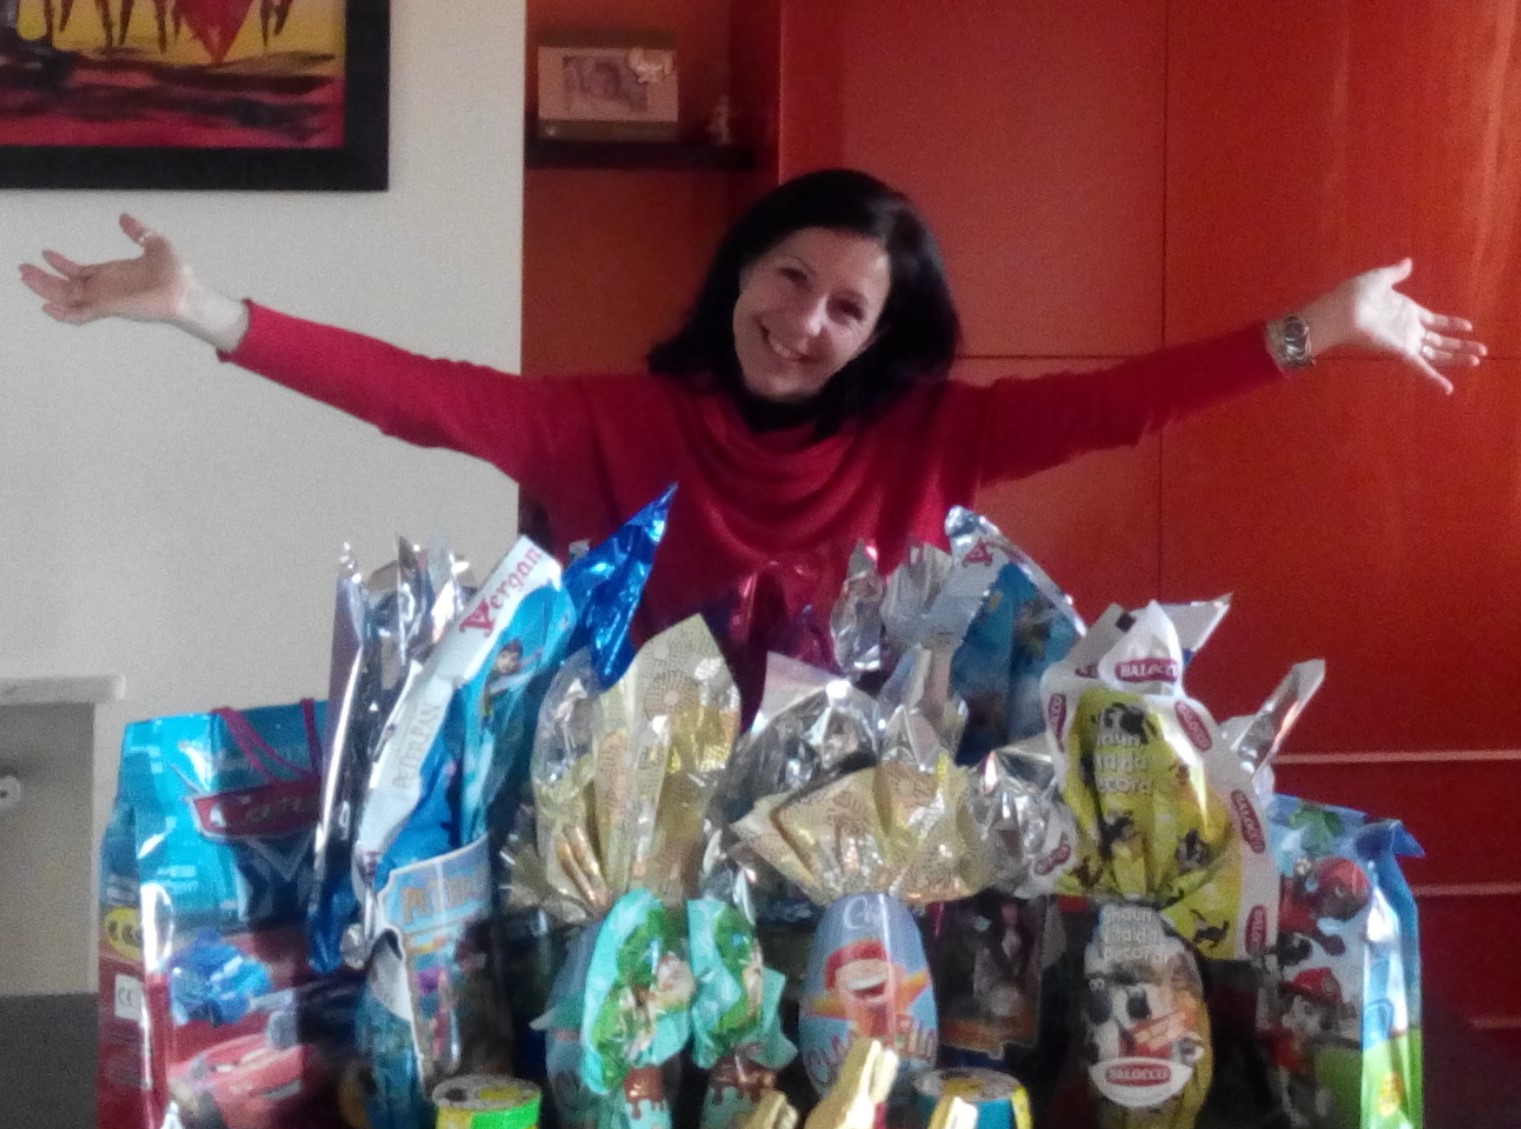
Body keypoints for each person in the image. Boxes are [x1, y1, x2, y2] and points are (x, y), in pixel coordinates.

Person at [17, 169, 1483, 660]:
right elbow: (420, 399)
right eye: (789, 278)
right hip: (627, 843)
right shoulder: (608, 424)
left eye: (848, 308)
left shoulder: (937, 441)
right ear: (740, 271)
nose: (804, 323)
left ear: (880, 335)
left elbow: (1122, 406)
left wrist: (1318, 328)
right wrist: (207, 311)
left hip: (866, 847)